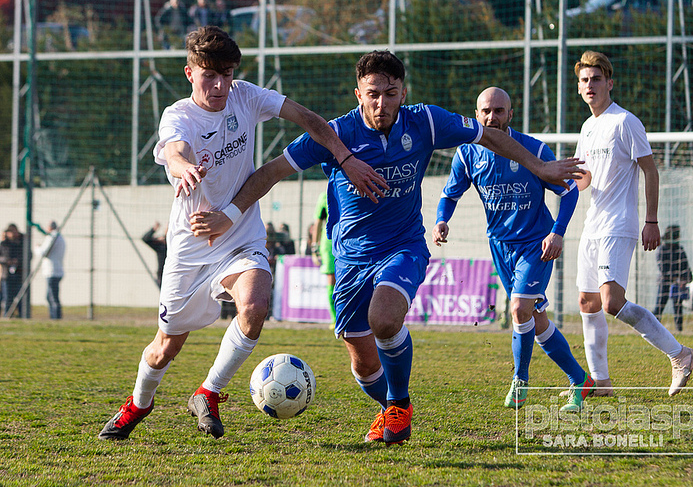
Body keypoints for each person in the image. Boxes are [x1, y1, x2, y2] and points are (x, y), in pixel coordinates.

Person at [189, 50, 584, 445]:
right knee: (362, 364)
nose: (382, 103)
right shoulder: (335, 134)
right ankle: (391, 409)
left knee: (384, 318)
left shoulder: (426, 122)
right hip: (350, 258)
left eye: (391, 94)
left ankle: (398, 406)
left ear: (403, 93)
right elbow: (271, 172)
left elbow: (488, 135)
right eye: (373, 94)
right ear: (358, 94)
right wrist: (229, 215)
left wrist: (540, 167)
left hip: (403, 246)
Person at [98, 25, 384, 442]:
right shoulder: (178, 116)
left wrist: (344, 157)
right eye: (209, 75)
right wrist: (185, 167)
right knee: (165, 347)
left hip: (241, 236)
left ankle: (208, 392)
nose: (219, 86)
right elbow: (175, 152)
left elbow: (309, 120)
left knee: (254, 305)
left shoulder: (246, 96)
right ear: (190, 73)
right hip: (191, 246)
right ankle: (139, 404)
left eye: (227, 74)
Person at [432, 87, 595, 413]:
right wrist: (441, 220)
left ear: (510, 114)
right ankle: (580, 379)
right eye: (486, 111)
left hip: (536, 245)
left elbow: (569, 191)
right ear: (476, 115)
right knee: (535, 319)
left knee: (519, 308)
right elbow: (449, 195)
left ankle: (520, 380)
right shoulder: (467, 154)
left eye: (498, 111)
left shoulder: (533, 149)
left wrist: (557, 233)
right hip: (500, 247)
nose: (492, 117)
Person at [573, 50, 693, 399]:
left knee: (612, 302)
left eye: (596, 79)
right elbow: (585, 178)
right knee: (587, 303)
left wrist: (651, 220)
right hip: (592, 224)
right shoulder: (587, 127)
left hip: (619, 223)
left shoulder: (625, 122)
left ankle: (680, 354)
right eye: (584, 80)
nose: (590, 85)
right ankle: (601, 382)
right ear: (579, 87)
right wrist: (557, 178)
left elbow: (650, 170)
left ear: (609, 83)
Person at [652, 225, 691, 332]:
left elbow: (686, 266)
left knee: (678, 308)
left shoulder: (680, 249)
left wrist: (685, 279)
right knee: (659, 306)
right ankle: (653, 329)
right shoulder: (662, 249)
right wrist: (675, 278)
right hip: (664, 282)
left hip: (677, 284)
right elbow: (663, 269)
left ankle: (679, 329)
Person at [312, 190, 337, 329]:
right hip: (329, 244)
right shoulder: (324, 196)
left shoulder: (350, 189)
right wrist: (314, 248)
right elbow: (318, 223)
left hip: (348, 242)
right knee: (331, 280)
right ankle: (335, 319)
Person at [33, 221, 66, 320]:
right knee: (50, 296)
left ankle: (56, 317)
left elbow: (43, 252)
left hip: (52, 271)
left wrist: (37, 248)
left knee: (52, 297)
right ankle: (54, 316)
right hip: (56, 270)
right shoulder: (60, 237)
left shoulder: (52, 237)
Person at [0, 224, 24, 318]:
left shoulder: (22, 243)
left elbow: (28, 255)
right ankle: (7, 316)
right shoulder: (4, 244)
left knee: (20, 297)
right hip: (7, 275)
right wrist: (7, 261)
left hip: (19, 274)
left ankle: (22, 316)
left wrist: (17, 261)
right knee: (7, 298)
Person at [142, 222, 167, 288]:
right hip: (162, 274)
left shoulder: (176, 243)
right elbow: (146, 239)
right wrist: (154, 229)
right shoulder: (162, 243)